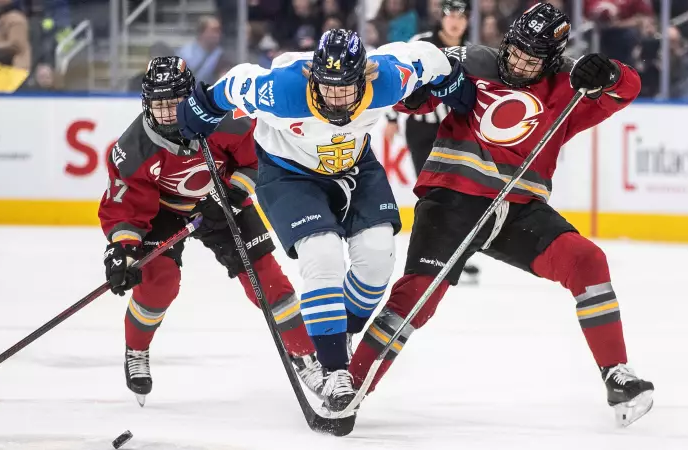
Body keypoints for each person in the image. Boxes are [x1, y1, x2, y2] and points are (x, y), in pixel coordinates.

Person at [348, 3, 655, 427]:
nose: (519, 62)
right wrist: (411, 93)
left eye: (533, 58)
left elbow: (628, 88)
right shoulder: (473, 61)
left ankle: (617, 374)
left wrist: (610, 74)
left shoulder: (569, 85)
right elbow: (415, 84)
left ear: (551, 60)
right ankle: (352, 382)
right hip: (451, 200)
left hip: (520, 209)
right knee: (418, 296)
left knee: (587, 261)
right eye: (516, 50)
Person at [175, 29, 473, 413]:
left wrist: (454, 83)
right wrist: (199, 109)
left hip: (355, 167)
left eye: (344, 89)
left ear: (362, 77)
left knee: (378, 257)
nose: (334, 99)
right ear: (313, 77)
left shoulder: (385, 80)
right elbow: (233, 84)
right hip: (288, 173)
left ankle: (339, 333)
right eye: (326, 88)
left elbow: (427, 57)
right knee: (323, 256)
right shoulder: (281, 90)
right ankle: (334, 369)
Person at [98, 56, 324, 406]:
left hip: (224, 200)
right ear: (146, 103)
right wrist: (123, 249)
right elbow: (127, 208)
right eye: (159, 105)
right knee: (159, 283)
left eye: (175, 103)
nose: (169, 113)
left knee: (270, 281)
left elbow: (256, 160)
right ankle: (136, 349)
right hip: (164, 212)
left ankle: (305, 356)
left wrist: (233, 192)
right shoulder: (132, 149)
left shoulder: (227, 118)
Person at [384, 0, 481, 284]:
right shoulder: (422, 44)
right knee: (434, 195)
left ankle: (451, 256)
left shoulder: (473, 51)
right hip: (423, 131)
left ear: (468, 21)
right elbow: (398, 75)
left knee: (462, 195)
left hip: (457, 131)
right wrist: (391, 119)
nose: (455, 21)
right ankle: (434, 257)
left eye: (461, 16)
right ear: (442, 17)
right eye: (451, 15)